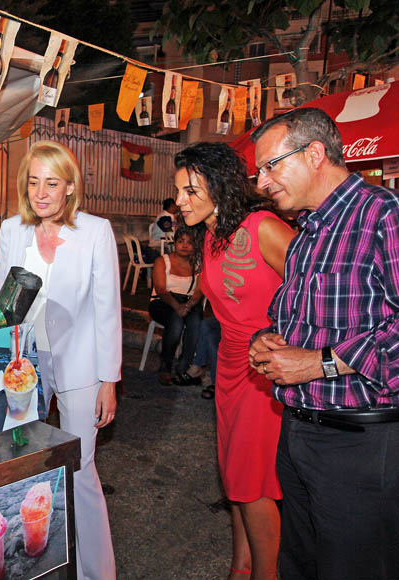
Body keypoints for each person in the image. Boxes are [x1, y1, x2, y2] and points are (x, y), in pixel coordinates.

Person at [248, 108, 399, 579]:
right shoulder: (308, 231)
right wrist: (265, 341)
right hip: (298, 432)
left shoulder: (383, 215)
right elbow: (291, 316)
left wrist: (320, 364)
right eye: (258, 170)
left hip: (359, 442)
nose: (261, 182)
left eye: (271, 165)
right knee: (300, 565)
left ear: (315, 154)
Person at [0, 140, 120, 580]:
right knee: (22, 464)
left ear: (70, 187)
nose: (41, 193)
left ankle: (96, 573)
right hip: (24, 364)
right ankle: (37, 564)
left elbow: (107, 309)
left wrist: (109, 380)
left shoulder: (95, 231)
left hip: (81, 365)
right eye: (33, 183)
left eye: (51, 183)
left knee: (81, 469)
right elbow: (1, 299)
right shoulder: (13, 230)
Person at [175, 142, 295, 580]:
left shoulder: (262, 225)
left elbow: (314, 286)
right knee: (236, 480)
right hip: (227, 364)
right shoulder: (210, 235)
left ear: (220, 186)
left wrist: (285, 342)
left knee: (252, 481)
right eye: (179, 191)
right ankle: (240, 568)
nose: (180, 201)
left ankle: (267, 574)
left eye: (191, 190)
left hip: (262, 369)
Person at [147, 227, 203, 386]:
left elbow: (199, 291)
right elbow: (160, 289)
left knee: (196, 323)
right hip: (163, 301)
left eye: (189, 242)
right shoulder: (162, 261)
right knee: (176, 322)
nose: (185, 245)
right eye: (181, 241)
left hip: (189, 302)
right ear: (175, 243)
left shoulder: (198, 264)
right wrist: (177, 307)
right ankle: (166, 365)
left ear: (195, 245)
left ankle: (184, 366)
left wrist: (189, 305)